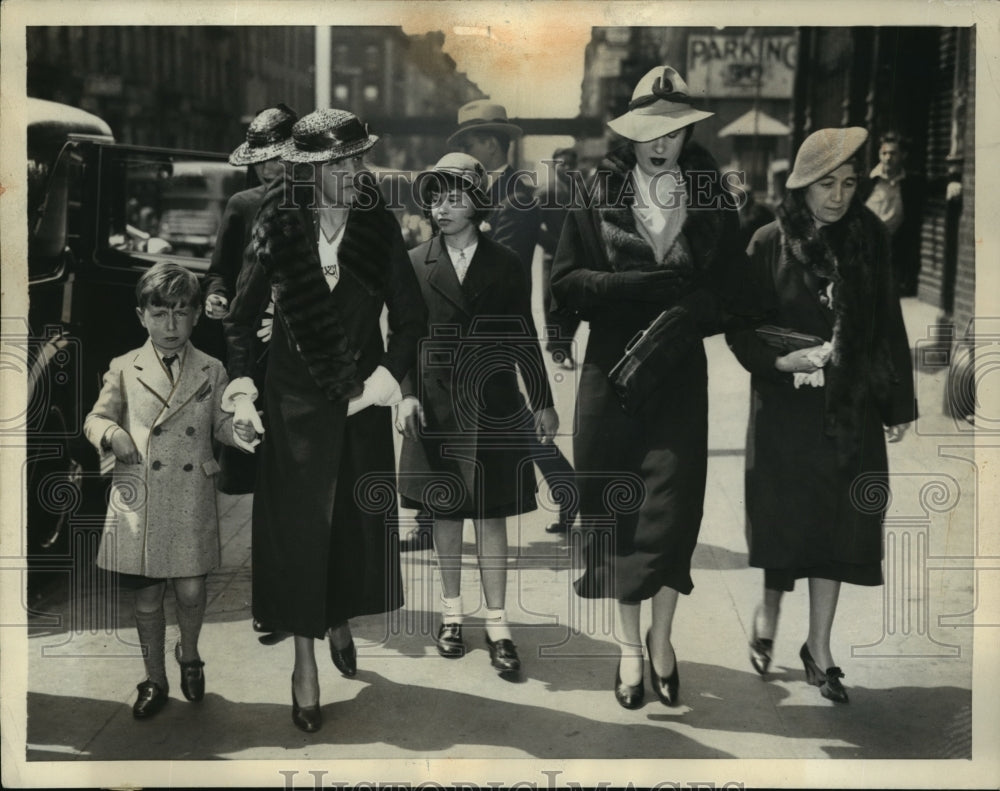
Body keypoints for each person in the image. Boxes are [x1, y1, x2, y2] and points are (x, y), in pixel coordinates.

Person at [223, 108, 426, 732]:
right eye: (339, 163)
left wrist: (385, 382)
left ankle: (338, 616)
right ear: (309, 171)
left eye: (357, 160)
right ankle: (305, 662)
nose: (353, 172)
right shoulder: (280, 224)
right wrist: (242, 393)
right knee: (297, 539)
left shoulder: (375, 226)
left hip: (359, 405)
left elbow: (412, 317)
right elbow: (239, 317)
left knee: (347, 535)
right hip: (292, 411)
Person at [550, 65, 746, 709]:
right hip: (612, 376)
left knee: (671, 513)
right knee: (616, 514)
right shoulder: (592, 190)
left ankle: (663, 641)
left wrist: (693, 312)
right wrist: (625, 289)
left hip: (678, 373)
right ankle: (630, 651)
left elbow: (734, 293)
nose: (662, 145)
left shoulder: (713, 195)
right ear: (630, 135)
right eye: (650, 132)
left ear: (689, 133)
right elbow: (566, 283)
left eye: (676, 131)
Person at [726, 127, 917, 703]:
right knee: (786, 524)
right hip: (786, 409)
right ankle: (768, 608)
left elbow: (887, 322)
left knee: (838, 526)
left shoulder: (870, 239)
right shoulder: (767, 242)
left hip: (849, 408)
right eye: (827, 183)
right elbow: (740, 327)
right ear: (802, 184)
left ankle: (819, 649)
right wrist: (781, 359)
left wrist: (898, 402)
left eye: (850, 182)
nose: (839, 195)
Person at [395, 153, 560, 677]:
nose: (441, 207)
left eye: (454, 196)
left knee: (491, 517)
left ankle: (497, 622)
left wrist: (543, 401)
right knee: (445, 515)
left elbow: (522, 336)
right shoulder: (415, 263)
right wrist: (406, 394)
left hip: (494, 406)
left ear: (478, 202)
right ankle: (450, 615)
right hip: (437, 407)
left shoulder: (506, 263)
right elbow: (404, 338)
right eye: (435, 197)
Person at [83, 262, 255, 719]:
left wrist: (240, 430)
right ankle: (153, 677)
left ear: (198, 314)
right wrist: (111, 436)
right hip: (141, 497)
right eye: (160, 314)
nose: (171, 324)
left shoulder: (212, 368)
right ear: (142, 316)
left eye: (181, 312)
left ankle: (191, 654)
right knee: (146, 597)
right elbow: (95, 418)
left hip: (189, 495)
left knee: (193, 590)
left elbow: (220, 423)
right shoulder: (124, 367)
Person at [448, 99, 576, 536]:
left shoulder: (517, 197)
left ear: (491, 144)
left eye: (470, 142)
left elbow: (507, 264)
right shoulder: (475, 190)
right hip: (467, 323)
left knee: (485, 416)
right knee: (504, 418)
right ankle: (568, 488)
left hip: (495, 324)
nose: (466, 150)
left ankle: (433, 515)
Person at [863, 131, 926, 296]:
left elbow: (935, 185)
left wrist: (954, 181)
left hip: (893, 252)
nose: (888, 158)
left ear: (903, 155)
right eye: (884, 153)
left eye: (893, 153)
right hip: (863, 249)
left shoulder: (912, 184)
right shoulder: (865, 182)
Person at [537, 146, 583, 370]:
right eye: (560, 163)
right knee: (550, 301)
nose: (565, 168)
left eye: (569, 164)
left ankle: (562, 345)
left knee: (576, 303)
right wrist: (553, 244)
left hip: (577, 257)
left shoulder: (582, 190)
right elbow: (533, 224)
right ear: (554, 165)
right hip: (552, 255)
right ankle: (559, 349)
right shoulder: (546, 190)